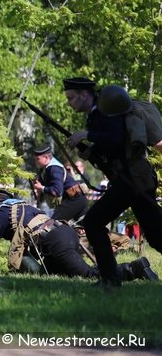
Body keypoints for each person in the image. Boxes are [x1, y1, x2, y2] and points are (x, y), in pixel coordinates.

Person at [63, 77, 162, 288]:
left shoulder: (106, 111)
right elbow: (113, 146)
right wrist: (91, 150)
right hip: (130, 180)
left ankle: (110, 278)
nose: (69, 102)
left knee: (93, 222)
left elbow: (116, 138)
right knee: (157, 235)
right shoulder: (96, 114)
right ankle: (110, 277)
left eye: (71, 97)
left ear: (84, 95)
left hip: (133, 179)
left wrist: (88, 135)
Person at [0, 188, 157, 281]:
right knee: (65, 275)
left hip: (56, 243)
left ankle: (134, 269)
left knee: (88, 276)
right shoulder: (24, 207)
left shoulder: (0, 215)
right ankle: (135, 270)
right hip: (65, 233)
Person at [32, 145, 88, 222]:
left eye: (37, 159)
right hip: (75, 199)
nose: (36, 162)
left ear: (46, 158)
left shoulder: (54, 168)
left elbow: (57, 191)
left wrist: (41, 188)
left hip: (74, 200)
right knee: (85, 229)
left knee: (50, 226)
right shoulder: (48, 169)